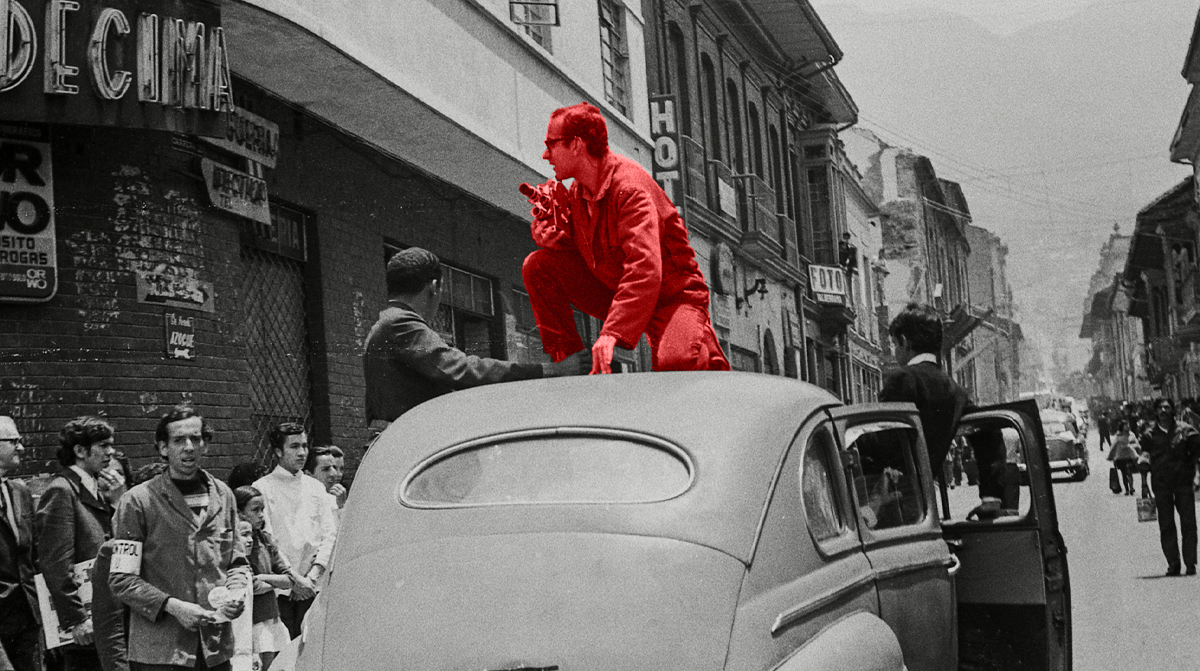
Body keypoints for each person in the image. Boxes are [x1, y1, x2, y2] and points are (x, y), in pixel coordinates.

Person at [521, 102, 730, 374]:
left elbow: (645, 269)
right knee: (538, 266)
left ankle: (706, 351)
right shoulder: (578, 193)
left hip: (673, 299)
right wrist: (554, 241)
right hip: (617, 290)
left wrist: (612, 332)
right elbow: (590, 254)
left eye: (551, 144)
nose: (545, 154)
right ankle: (568, 364)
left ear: (576, 144)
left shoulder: (630, 189)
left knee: (675, 362)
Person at [364, 247, 591, 423]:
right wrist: (551, 370)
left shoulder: (388, 323)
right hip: (407, 444)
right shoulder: (400, 323)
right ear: (433, 287)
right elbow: (463, 369)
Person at [109, 405, 250, 670]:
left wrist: (236, 593)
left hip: (214, 649)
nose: (188, 447)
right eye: (178, 440)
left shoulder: (224, 495)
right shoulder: (138, 501)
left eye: (196, 439)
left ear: (205, 445)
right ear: (163, 448)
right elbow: (122, 580)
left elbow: (237, 563)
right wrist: (173, 607)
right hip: (161, 653)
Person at [34, 417, 123, 671]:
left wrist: (118, 501)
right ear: (80, 451)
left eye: (111, 445)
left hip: (104, 614)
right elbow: (55, 563)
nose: (111, 452)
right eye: (103, 445)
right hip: (86, 625)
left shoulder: (95, 488)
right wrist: (76, 619)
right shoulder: (62, 490)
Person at [251, 424, 334, 638]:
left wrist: (312, 577)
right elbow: (267, 539)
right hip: (281, 590)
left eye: (304, 446)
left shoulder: (316, 487)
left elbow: (330, 535)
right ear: (278, 451)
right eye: (294, 446)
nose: (302, 452)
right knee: (284, 648)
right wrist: (294, 579)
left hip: (314, 586)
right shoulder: (262, 487)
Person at [233, 487, 295, 671]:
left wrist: (264, 578)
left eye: (262, 509)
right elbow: (251, 586)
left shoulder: (265, 541)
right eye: (255, 510)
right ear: (239, 512)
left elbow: (289, 579)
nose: (261, 515)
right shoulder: (238, 546)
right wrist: (274, 583)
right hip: (249, 623)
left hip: (271, 618)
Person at [1139, 398, 1200, 576]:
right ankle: (1173, 563)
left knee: (1189, 523)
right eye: (1160, 408)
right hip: (1161, 484)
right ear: (1156, 411)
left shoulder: (1186, 431)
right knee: (1166, 525)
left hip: (1183, 482)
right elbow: (1145, 458)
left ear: (1173, 410)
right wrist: (1143, 483)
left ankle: (1190, 563)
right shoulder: (1149, 434)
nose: (1163, 411)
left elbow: (1196, 455)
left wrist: (1197, 475)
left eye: (1167, 407)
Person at [0, 416, 40, 671]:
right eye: (14, 441)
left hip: (26, 616)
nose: (21, 448)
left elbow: (32, 554)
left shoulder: (20, 491)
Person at [1106, 420, 1138, 496]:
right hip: (1121, 457)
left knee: (1129, 473)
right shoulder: (1118, 436)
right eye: (1125, 425)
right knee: (1124, 474)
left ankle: (1131, 487)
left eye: (1127, 425)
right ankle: (1127, 489)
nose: (1127, 427)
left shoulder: (1131, 435)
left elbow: (1135, 443)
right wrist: (1112, 456)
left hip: (1129, 456)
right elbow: (1114, 447)